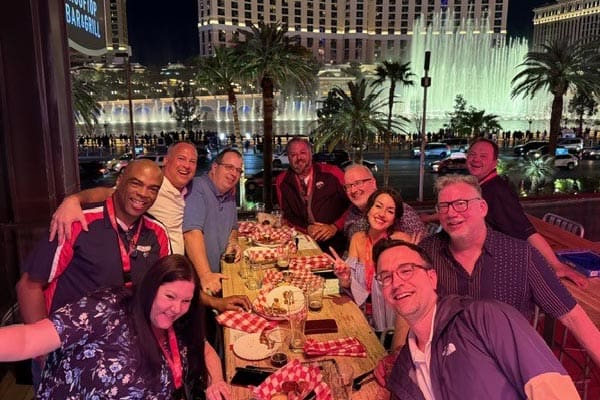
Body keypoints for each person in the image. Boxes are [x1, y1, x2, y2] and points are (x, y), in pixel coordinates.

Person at [420, 175, 600, 367]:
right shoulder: (426, 253)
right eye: (444, 206)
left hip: (508, 366)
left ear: (482, 208)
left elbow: (572, 316)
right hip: (447, 364)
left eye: (461, 204)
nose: (451, 213)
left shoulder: (521, 255)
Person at [49, 143, 250, 313]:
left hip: (175, 277)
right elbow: (111, 193)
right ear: (166, 161)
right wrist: (74, 199)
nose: (187, 166)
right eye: (181, 159)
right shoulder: (153, 188)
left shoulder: (187, 191)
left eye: (192, 162)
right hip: (151, 277)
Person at [373, 239, 580, 400]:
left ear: (432, 277)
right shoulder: (406, 363)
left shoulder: (484, 317)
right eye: (386, 277)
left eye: (406, 270)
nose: (397, 282)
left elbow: (552, 389)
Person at [2, 255, 231, 400]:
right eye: (169, 296)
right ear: (151, 287)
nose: (176, 308)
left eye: (185, 300)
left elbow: (205, 349)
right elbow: (27, 340)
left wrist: (217, 381)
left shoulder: (180, 323)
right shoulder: (107, 309)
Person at [17, 159, 171, 321]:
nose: (144, 193)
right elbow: (28, 287)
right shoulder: (76, 223)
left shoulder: (157, 232)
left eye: (153, 189)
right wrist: (43, 342)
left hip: (126, 337)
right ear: (119, 181)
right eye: (136, 184)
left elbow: (165, 289)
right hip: (71, 339)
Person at [466, 137, 587, 287]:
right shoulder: (481, 185)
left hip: (502, 267)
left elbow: (526, 230)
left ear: (494, 163)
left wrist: (557, 265)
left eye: (483, 156)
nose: (476, 159)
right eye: (472, 154)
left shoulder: (496, 192)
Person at [332, 189, 415, 334]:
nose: (382, 214)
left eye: (390, 211)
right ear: (369, 209)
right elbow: (349, 287)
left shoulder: (400, 241)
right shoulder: (357, 239)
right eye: (378, 206)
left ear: (395, 218)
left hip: (391, 328)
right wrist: (345, 280)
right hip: (361, 321)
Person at [183, 148, 244, 295]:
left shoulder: (229, 193)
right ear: (215, 167)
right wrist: (205, 275)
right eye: (229, 167)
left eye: (238, 170)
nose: (234, 174)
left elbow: (233, 227)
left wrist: (233, 242)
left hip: (221, 278)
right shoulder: (197, 187)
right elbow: (191, 233)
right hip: (200, 285)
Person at [275, 138, 349, 254]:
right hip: (304, 243)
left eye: (303, 153)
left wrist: (334, 227)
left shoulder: (333, 172)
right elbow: (287, 215)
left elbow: (353, 205)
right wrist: (306, 228)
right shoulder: (282, 181)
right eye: (293, 154)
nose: (299, 158)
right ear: (288, 157)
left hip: (336, 242)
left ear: (311, 153)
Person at [343, 164, 426, 240]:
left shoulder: (399, 209)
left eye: (358, 183)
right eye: (348, 186)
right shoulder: (352, 211)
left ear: (373, 183)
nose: (353, 190)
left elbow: (423, 244)